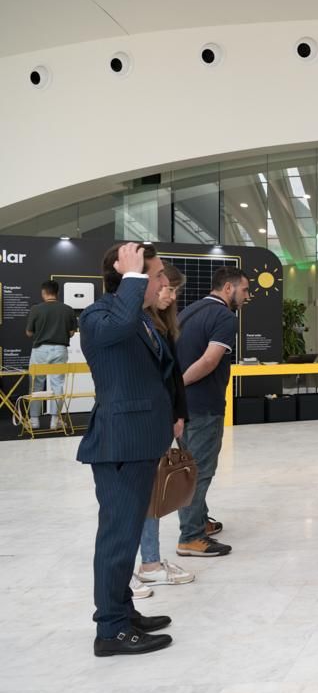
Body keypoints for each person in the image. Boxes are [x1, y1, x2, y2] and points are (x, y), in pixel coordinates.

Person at [77, 242, 175, 656]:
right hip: (120, 443)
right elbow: (116, 329)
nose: (161, 284)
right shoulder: (99, 316)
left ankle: (123, 611)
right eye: (154, 276)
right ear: (129, 275)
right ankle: (110, 629)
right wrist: (133, 276)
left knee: (127, 533)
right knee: (117, 539)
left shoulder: (142, 320)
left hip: (140, 441)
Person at [175, 266, 249, 557]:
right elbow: (208, 361)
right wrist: (180, 386)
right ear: (228, 288)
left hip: (184, 406)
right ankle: (190, 537)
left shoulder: (189, 311)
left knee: (189, 467)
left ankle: (199, 521)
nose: (246, 296)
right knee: (199, 471)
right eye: (244, 289)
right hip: (203, 404)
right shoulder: (224, 317)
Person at [134, 264, 195, 593]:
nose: (171, 296)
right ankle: (146, 563)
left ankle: (151, 561)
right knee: (140, 497)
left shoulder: (162, 325)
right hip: (141, 424)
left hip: (162, 421)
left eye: (174, 290)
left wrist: (178, 414)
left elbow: (174, 379)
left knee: (153, 493)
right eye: (166, 288)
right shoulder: (138, 325)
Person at [24, 280, 78, 430]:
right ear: (57, 292)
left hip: (40, 350)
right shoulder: (67, 309)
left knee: (36, 384)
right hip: (60, 350)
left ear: (43, 293)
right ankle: (55, 421)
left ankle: (34, 421)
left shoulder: (36, 309)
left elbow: (28, 332)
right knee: (57, 385)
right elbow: (72, 332)